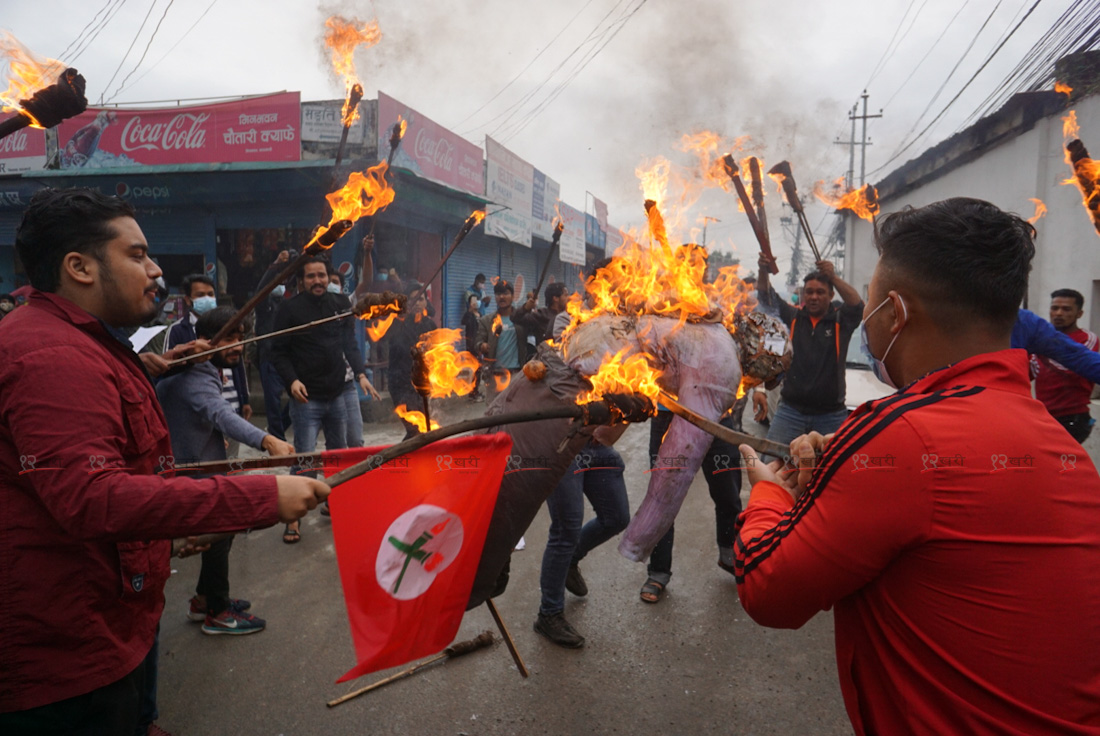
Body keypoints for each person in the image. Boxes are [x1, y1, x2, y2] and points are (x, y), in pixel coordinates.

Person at [735, 197, 1100, 735]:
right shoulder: (1058, 441)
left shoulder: (903, 432)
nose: (867, 322)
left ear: (896, 313)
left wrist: (770, 495)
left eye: (874, 305)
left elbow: (770, 591)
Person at [0, 187, 329, 733]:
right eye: (136, 255)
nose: (155, 270)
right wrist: (260, 496)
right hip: (67, 652)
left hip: (107, 617)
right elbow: (91, 496)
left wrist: (156, 366)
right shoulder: (51, 354)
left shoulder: (83, 340)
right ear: (78, 267)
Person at [157, 306, 296, 635]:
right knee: (223, 525)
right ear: (204, 342)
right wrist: (267, 440)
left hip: (200, 465)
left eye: (241, 338)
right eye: (228, 339)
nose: (237, 347)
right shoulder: (193, 375)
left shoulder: (206, 368)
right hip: (184, 471)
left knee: (222, 532)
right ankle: (217, 613)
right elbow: (221, 415)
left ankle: (205, 599)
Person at [533, 314, 630, 648]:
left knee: (617, 517)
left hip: (593, 445)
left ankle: (573, 558)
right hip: (563, 443)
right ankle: (549, 614)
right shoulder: (570, 326)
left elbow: (612, 433)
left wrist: (630, 406)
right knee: (565, 529)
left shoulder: (628, 340)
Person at [270, 256, 375, 542]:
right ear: (301, 281)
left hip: (338, 393)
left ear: (328, 278)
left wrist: (362, 374)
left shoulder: (339, 305)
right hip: (307, 399)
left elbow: (349, 344)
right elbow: (277, 352)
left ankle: (336, 504)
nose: (317, 281)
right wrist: (291, 380)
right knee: (305, 458)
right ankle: (292, 518)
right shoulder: (289, 310)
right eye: (310, 276)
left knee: (337, 455)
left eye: (321, 276)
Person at [758, 259, 864, 447]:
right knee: (770, 462)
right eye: (809, 292)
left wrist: (833, 277)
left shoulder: (841, 320)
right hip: (791, 411)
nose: (814, 297)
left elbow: (857, 305)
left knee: (834, 469)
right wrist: (763, 269)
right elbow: (766, 296)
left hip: (831, 415)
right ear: (803, 295)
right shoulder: (794, 317)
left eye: (820, 292)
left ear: (831, 295)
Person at [165, 273, 252, 425]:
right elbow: (168, 371)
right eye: (200, 295)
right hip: (200, 411)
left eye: (210, 294)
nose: (207, 298)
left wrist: (244, 399)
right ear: (188, 299)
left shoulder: (229, 325)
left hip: (231, 404)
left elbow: (239, 366)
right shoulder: (177, 330)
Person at [1029, 289, 1098, 443]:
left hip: (1073, 417)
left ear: (1079, 314)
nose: (1059, 313)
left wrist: (1040, 350)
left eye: (1066, 309)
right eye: (1055, 308)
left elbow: (1073, 366)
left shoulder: (1087, 338)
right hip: (1043, 414)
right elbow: (1032, 370)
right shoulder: (1042, 338)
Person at [386, 281, 439, 438]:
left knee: (422, 429)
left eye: (421, 299)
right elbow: (394, 345)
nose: (417, 303)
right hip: (400, 382)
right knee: (414, 428)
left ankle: (414, 459)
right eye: (413, 299)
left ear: (426, 302)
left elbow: (435, 353)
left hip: (421, 384)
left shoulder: (430, 325)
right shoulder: (398, 324)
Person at [255, 249, 293, 440]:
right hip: (268, 357)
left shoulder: (288, 306)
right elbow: (261, 292)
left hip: (287, 358)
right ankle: (278, 438)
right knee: (272, 401)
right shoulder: (264, 307)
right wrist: (274, 267)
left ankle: (279, 428)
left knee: (297, 397)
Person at [477, 280, 529, 393]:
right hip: (494, 375)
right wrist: (482, 346)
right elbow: (477, 343)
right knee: (494, 409)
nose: (501, 297)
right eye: (498, 294)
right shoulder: (486, 321)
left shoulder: (522, 320)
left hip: (516, 374)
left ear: (513, 296)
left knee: (515, 409)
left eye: (505, 293)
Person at [461, 294, 484, 402]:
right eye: (474, 300)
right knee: (474, 370)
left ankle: (476, 390)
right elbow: (464, 322)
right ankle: (472, 393)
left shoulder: (480, 314)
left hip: (479, 345)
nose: (477, 302)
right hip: (472, 347)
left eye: (478, 300)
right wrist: (469, 310)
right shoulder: (468, 315)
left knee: (478, 370)